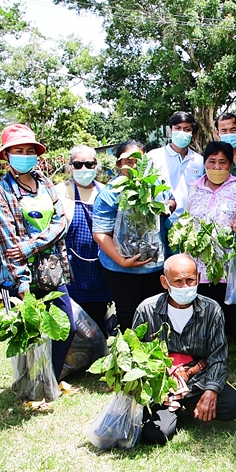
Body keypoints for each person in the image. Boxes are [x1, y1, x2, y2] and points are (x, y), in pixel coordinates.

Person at [0, 124, 76, 381]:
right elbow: (6, 244)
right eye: (18, 151)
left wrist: (29, 246)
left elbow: (61, 224)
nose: (25, 155)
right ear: (6, 156)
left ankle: (51, 381)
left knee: (65, 326)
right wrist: (22, 283)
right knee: (28, 334)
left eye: (29, 150)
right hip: (19, 277)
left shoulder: (45, 184)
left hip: (51, 273)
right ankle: (29, 385)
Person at [132, 254, 236, 445]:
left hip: (197, 379)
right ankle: (173, 407)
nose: (185, 287)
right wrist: (160, 386)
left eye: (190, 280)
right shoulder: (147, 310)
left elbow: (218, 356)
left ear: (198, 278)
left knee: (234, 405)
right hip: (162, 383)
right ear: (164, 282)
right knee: (155, 434)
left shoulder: (212, 310)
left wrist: (211, 391)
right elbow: (135, 355)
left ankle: (193, 402)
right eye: (177, 282)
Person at [186, 141, 236, 371]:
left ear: (231, 164)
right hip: (202, 262)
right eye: (212, 162)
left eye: (223, 162)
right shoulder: (195, 188)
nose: (217, 167)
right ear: (205, 163)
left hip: (233, 261)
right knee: (206, 310)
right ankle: (205, 354)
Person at [92, 141, 166, 333]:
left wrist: (169, 204)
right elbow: (100, 233)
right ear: (119, 164)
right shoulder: (110, 193)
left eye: (138, 161)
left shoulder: (154, 184)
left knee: (155, 310)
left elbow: (168, 201)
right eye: (128, 161)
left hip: (154, 265)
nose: (133, 165)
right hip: (120, 269)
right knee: (128, 313)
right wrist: (122, 260)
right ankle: (132, 353)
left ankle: (155, 351)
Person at [55, 145, 113, 333]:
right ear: (70, 167)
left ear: (97, 166)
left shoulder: (107, 193)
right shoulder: (58, 193)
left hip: (100, 270)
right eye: (78, 164)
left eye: (89, 164)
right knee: (72, 329)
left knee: (97, 328)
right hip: (72, 272)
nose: (84, 169)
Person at [147, 111, 204, 221]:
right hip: (160, 221)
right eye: (177, 128)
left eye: (187, 129)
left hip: (190, 223)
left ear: (193, 133)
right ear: (171, 130)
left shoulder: (199, 161)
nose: (182, 132)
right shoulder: (154, 157)